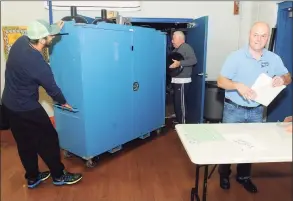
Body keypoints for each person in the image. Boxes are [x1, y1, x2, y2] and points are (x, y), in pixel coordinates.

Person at [1, 19, 82, 188]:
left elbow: (41, 34)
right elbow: (53, 89)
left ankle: (33, 177)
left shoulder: (20, 42)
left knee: (24, 142)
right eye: (49, 36)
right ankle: (59, 176)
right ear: (42, 40)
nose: (52, 37)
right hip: (26, 109)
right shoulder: (38, 64)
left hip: (8, 104)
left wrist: (53, 27)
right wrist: (64, 103)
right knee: (49, 140)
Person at [216, 22, 292, 193]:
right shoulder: (235, 57)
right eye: (255, 34)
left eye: (263, 35)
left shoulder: (273, 58)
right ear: (249, 34)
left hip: (257, 111)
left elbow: (288, 76)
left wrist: (282, 80)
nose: (259, 39)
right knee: (228, 144)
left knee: (251, 145)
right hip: (233, 110)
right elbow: (221, 81)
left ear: (267, 38)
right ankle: (224, 174)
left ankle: (243, 176)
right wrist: (237, 85)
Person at [169, 31, 197, 124]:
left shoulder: (186, 47)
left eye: (174, 39)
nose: (172, 41)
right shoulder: (176, 50)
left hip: (183, 80)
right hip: (176, 79)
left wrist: (179, 63)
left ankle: (183, 123)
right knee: (177, 102)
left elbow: (194, 60)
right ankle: (179, 119)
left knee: (181, 103)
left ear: (180, 39)